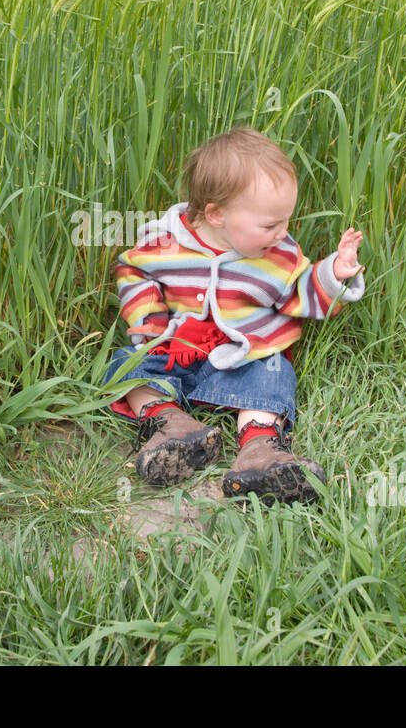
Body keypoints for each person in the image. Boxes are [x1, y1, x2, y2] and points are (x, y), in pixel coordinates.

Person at [102, 125, 366, 504]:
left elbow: (300, 291)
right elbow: (133, 269)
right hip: (177, 350)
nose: (282, 233)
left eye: (285, 221)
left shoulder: (278, 256)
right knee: (127, 365)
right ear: (217, 215)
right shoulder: (166, 243)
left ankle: (259, 449)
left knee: (272, 372)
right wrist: (150, 320)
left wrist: (333, 274)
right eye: (270, 224)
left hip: (243, 355)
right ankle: (170, 425)